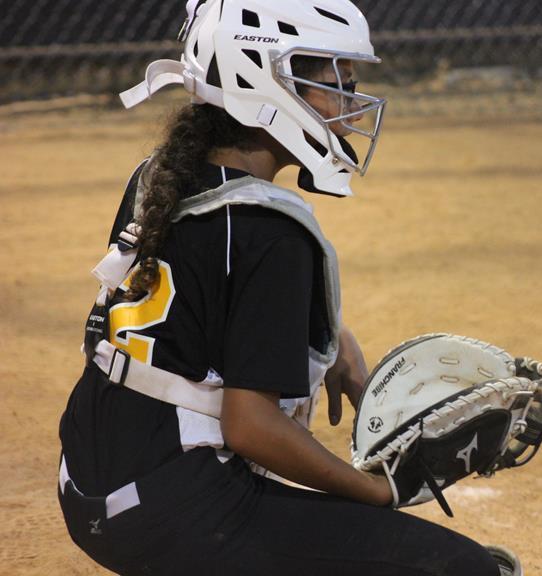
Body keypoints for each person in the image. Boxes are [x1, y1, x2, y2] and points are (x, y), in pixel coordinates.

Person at [57, 0, 503, 574]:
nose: (350, 102)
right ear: (263, 80)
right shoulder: (272, 230)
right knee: (462, 567)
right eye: (336, 82)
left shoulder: (161, 175)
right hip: (178, 512)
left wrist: (325, 334)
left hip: (90, 488)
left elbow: (202, 299)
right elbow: (252, 428)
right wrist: (378, 492)